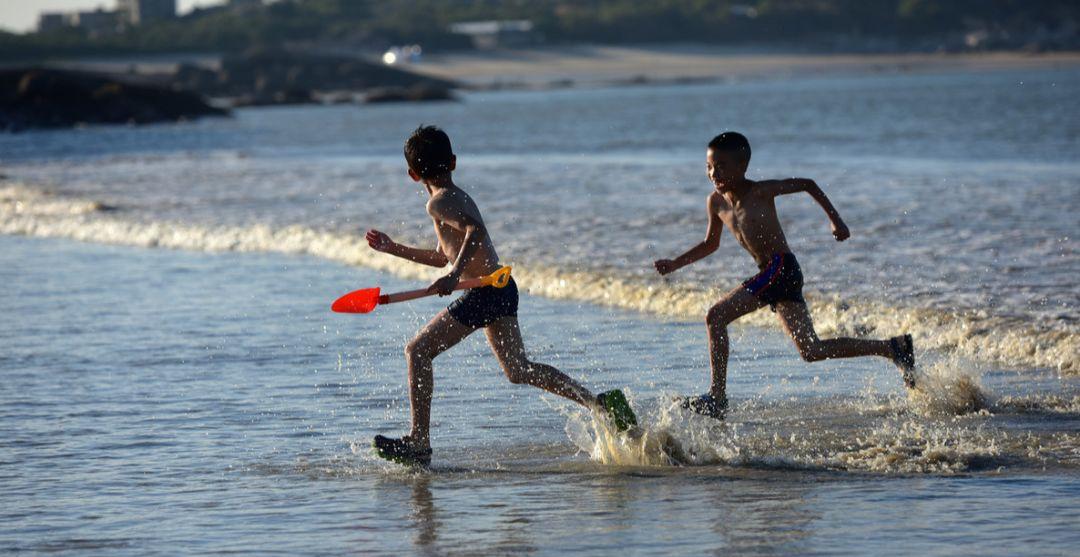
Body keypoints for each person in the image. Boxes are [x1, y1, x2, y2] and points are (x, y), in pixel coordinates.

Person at [366, 125, 636, 466]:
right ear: (453, 162)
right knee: (518, 369)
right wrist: (395, 249)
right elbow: (442, 254)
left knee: (417, 351)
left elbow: (475, 233)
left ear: (412, 174)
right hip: (500, 288)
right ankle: (599, 404)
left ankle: (419, 441)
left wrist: (453, 275)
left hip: (483, 293)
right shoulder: (457, 196)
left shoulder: (438, 202)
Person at [653, 131, 916, 419]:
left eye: (722, 166)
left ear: (742, 166)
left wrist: (836, 221)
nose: (713, 173)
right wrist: (675, 264)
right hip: (773, 274)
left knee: (715, 316)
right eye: (709, 167)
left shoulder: (760, 191)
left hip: (781, 268)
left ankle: (717, 397)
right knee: (811, 350)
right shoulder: (715, 203)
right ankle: (893, 348)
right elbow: (710, 244)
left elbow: (807, 184)